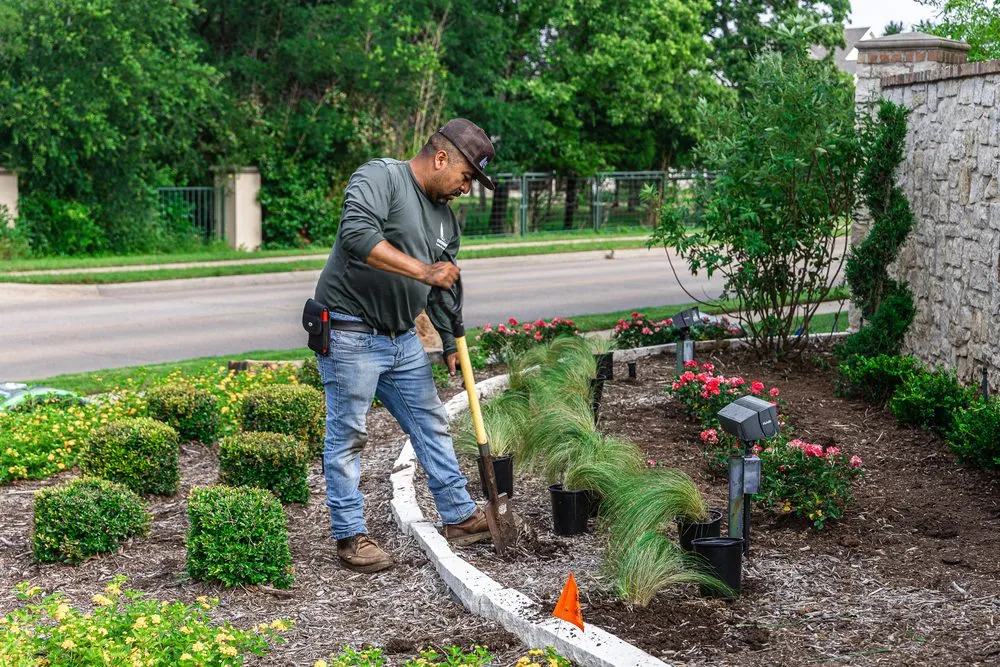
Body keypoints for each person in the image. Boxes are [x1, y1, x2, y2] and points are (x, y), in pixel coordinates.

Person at [312, 118, 497, 573]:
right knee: (348, 436)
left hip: (402, 339)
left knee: (431, 423)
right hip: (350, 333)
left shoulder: (445, 221)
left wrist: (451, 341)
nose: (466, 189)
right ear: (441, 158)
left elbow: (442, 289)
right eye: (466, 176)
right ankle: (350, 537)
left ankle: (459, 516)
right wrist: (423, 270)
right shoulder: (382, 177)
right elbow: (357, 235)